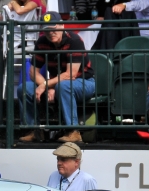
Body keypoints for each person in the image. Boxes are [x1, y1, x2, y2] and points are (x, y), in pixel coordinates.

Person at [17, 11, 95, 143]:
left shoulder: (74, 41)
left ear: (62, 26)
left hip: (84, 82)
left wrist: (46, 85)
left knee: (64, 86)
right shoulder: (42, 42)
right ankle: (35, 130)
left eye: (53, 29)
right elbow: (33, 72)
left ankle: (73, 132)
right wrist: (48, 87)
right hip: (57, 83)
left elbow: (71, 74)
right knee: (24, 88)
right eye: (47, 30)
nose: (50, 33)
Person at [0, 0, 45, 98]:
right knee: (0, 47)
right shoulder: (22, 3)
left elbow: (19, 11)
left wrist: (13, 3)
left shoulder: (36, 1)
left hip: (32, 41)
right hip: (22, 40)